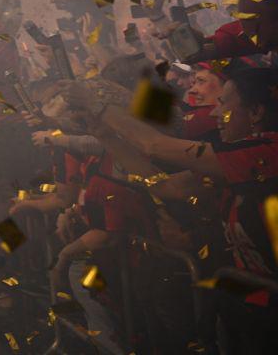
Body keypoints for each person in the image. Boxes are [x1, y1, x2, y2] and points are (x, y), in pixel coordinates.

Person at [63, 68, 278, 352]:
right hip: (247, 307)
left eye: (224, 104)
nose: (215, 114)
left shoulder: (267, 152)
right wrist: (107, 136)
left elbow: (154, 145)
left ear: (256, 112)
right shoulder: (233, 161)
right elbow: (168, 187)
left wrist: (98, 103)